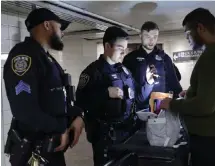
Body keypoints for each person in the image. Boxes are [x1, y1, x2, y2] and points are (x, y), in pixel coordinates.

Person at [160, 8, 215, 166]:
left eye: (188, 34)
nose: (188, 39)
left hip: (214, 142)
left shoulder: (213, 56)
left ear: (200, 28)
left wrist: (171, 104)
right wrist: (191, 92)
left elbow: (205, 106)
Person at [3, 8, 84, 166]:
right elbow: (25, 111)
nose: (62, 33)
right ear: (47, 25)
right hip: (35, 151)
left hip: (50, 149)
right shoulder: (24, 56)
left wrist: (78, 116)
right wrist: (61, 128)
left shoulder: (46, 58)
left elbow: (57, 99)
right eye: (60, 28)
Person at [75, 26, 154, 166]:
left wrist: (148, 83)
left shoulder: (124, 70)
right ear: (107, 46)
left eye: (125, 48)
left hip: (128, 132)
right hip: (106, 136)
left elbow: (138, 97)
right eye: (119, 48)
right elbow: (81, 101)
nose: (124, 52)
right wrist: (105, 93)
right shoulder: (93, 72)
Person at [123, 21, 182, 110]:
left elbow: (175, 85)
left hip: (160, 109)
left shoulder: (165, 59)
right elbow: (126, 87)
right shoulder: (130, 59)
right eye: (147, 36)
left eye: (155, 37)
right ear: (140, 36)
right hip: (138, 109)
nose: (152, 40)